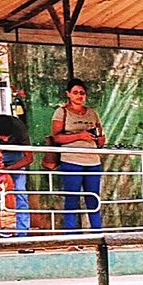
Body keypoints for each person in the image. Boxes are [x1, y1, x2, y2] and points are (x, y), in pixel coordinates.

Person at [50, 78, 106, 230]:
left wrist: (100, 139)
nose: (79, 96)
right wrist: (79, 136)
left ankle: (97, 235)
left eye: (82, 93)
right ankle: (71, 237)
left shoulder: (92, 113)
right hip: (71, 160)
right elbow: (56, 137)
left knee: (93, 199)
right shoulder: (61, 112)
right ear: (68, 94)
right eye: (75, 92)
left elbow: (100, 137)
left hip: (93, 161)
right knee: (71, 199)